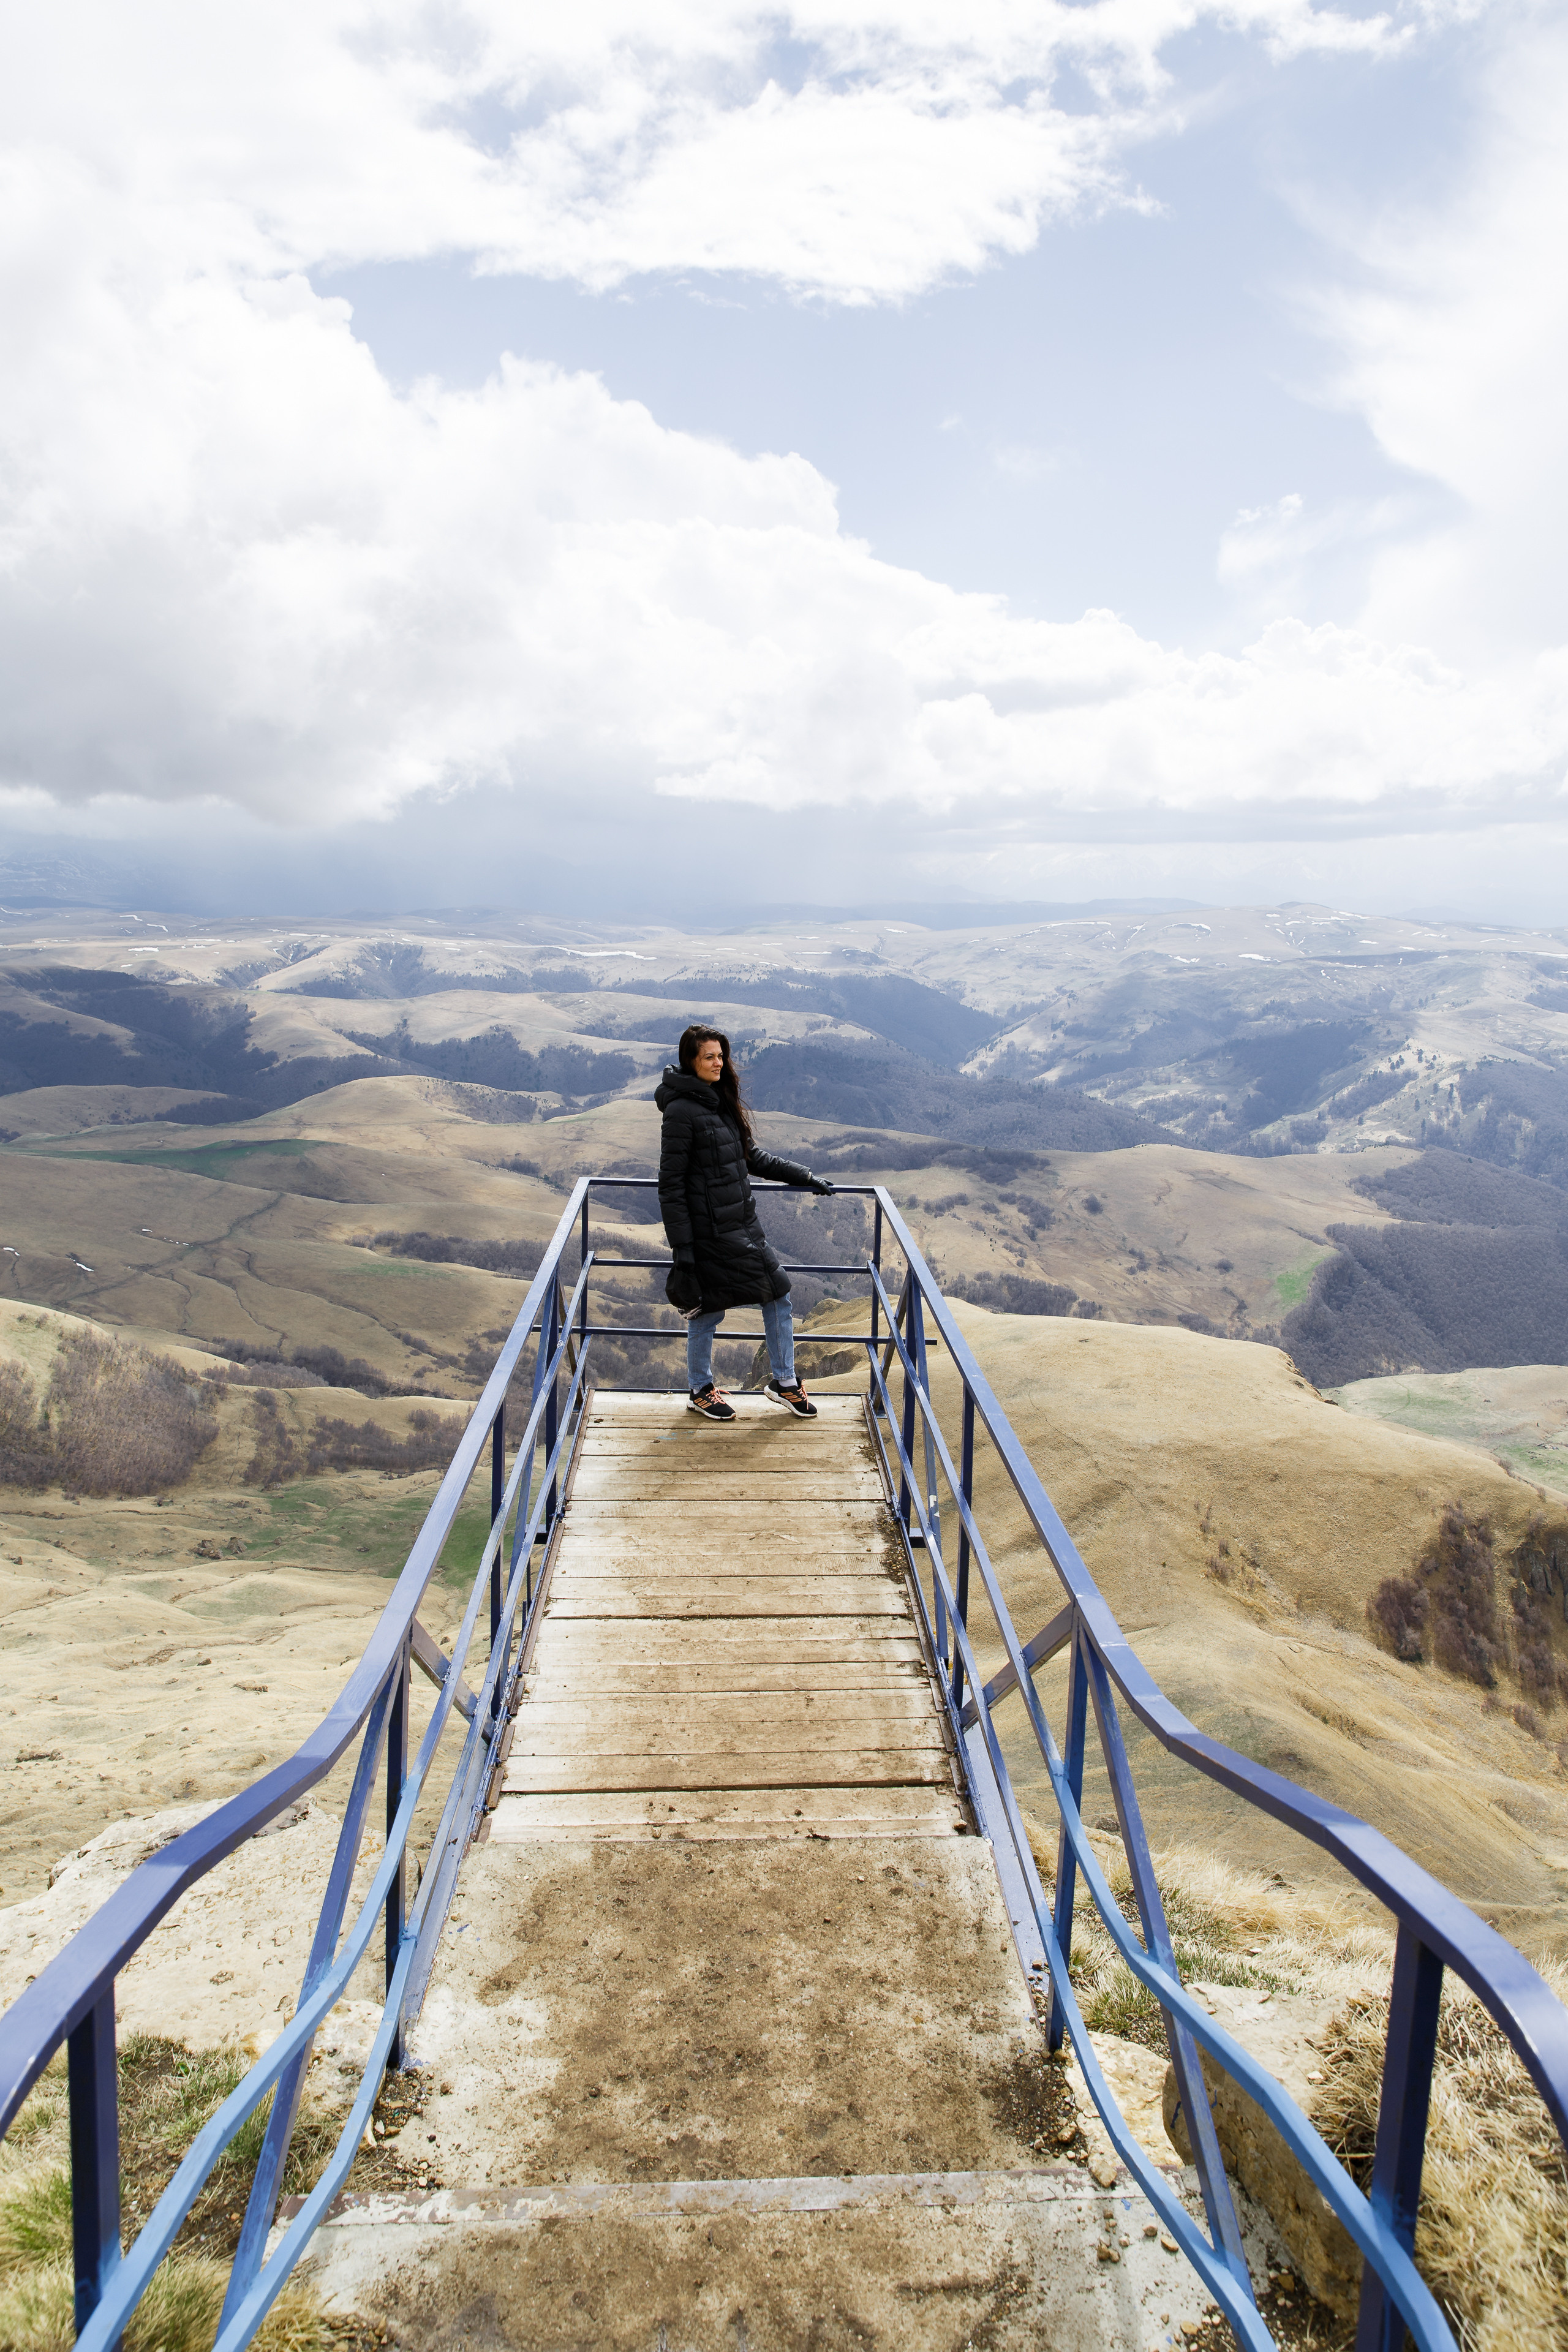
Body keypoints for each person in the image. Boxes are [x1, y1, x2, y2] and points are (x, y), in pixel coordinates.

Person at [656, 1023, 834, 1422]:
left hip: (741, 1224)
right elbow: (670, 1187)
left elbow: (753, 1157)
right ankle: (714, 1388)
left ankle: (773, 1383)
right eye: (709, 1057)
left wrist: (804, 1176)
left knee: (764, 1296)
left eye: (721, 1056)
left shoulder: (720, 1101)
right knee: (716, 1306)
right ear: (691, 1061)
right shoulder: (682, 1112)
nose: (719, 1063)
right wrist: (683, 1250)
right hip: (710, 1232)